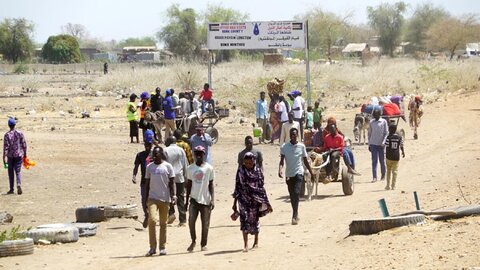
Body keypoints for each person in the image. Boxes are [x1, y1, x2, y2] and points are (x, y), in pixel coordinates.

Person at [232, 152, 272, 252]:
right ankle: (245, 244)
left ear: (253, 162)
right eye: (247, 163)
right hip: (243, 199)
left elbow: (261, 186)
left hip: (255, 199)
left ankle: (256, 241)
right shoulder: (240, 171)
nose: (248, 165)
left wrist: (266, 201)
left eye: (250, 163)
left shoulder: (258, 171)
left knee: (255, 219)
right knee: (244, 219)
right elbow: (237, 186)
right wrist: (234, 203)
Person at [144, 147, 176, 256]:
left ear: (161, 155)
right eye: (154, 155)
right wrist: (145, 200)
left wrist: (174, 196)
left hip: (165, 199)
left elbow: (172, 183)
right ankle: (152, 247)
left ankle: (162, 247)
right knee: (152, 221)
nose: (155, 157)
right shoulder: (149, 167)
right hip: (152, 198)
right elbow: (147, 184)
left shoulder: (168, 166)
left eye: (157, 155)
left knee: (163, 223)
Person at [278, 128, 314, 225]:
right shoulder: (284, 147)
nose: (293, 136)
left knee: (297, 192)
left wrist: (311, 172)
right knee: (292, 195)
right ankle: (295, 212)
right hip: (289, 174)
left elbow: (305, 160)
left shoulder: (301, 146)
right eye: (292, 135)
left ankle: (294, 214)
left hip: (299, 172)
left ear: (297, 135)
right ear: (289, 135)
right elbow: (281, 161)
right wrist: (280, 169)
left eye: (295, 134)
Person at [185, 145, 215, 252]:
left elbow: (211, 184)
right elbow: (188, 185)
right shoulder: (190, 168)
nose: (198, 155)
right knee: (191, 221)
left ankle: (203, 244)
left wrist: (212, 199)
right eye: (196, 153)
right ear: (194, 154)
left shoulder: (209, 168)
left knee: (205, 223)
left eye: (200, 153)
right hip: (194, 199)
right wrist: (186, 201)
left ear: (204, 154)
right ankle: (193, 241)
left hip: (205, 200)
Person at [163, 137, 188, 226]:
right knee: (180, 197)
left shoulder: (165, 150)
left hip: (169, 177)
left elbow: (164, 164)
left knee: (170, 196)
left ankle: (171, 214)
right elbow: (185, 163)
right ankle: (182, 220)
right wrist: (185, 176)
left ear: (169, 141)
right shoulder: (181, 150)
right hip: (179, 176)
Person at [3, 118, 27, 195]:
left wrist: (4, 157)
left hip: (10, 156)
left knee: (10, 173)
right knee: (18, 171)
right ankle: (19, 184)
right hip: (18, 155)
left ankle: (11, 189)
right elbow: (24, 144)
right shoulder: (20, 133)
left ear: (8, 125)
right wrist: (25, 154)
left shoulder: (7, 135)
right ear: (15, 125)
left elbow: (5, 147)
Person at [132, 141, 153, 228]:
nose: (147, 147)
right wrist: (134, 176)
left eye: (149, 145)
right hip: (144, 182)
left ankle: (151, 216)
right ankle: (146, 214)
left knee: (153, 200)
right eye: (146, 145)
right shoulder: (140, 155)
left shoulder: (155, 154)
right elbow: (136, 166)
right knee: (144, 200)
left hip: (154, 181)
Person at [368, 108, 389, 183]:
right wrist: (369, 144)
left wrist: (383, 142)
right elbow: (369, 134)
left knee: (382, 161)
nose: (375, 116)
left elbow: (386, 133)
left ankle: (383, 175)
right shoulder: (371, 122)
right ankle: (374, 177)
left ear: (379, 115)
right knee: (374, 161)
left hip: (381, 145)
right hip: (373, 144)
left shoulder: (383, 122)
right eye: (374, 115)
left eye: (376, 115)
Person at [384, 124, 405, 190]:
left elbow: (386, 146)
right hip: (396, 156)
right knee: (395, 172)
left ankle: (387, 185)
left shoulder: (388, 137)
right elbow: (401, 145)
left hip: (389, 156)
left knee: (388, 171)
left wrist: (385, 154)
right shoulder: (399, 137)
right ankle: (393, 186)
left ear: (390, 130)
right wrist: (403, 152)